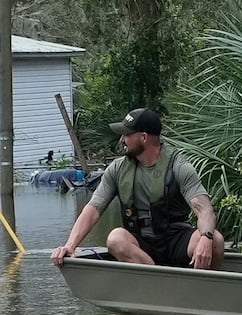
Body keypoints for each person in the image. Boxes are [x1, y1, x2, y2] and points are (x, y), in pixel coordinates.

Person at [50, 107, 224, 269]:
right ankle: (154, 283)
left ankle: (202, 291)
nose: (122, 140)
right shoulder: (117, 169)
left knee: (215, 239)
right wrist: (70, 245)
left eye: (126, 134)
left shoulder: (179, 166)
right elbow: (93, 209)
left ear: (144, 137)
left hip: (175, 239)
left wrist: (206, 238)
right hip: (142, 243)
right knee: (116, 238)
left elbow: (205, 211)